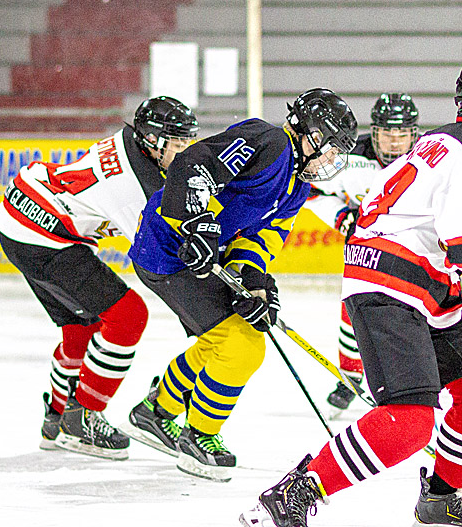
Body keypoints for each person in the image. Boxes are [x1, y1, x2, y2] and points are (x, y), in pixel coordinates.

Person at [240, 56, 462, 527]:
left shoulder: (442, 140)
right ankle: (292, 495)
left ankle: (441, 500)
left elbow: (437, 231)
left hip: (418, 281)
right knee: (410, 419)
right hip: (392, 283)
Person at [123, 88, 358, 481]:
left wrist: (255, 284)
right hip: (169, 247)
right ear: (312, 136)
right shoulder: (266, 141)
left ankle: (155, 411)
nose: (334, 159)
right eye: (332, 148)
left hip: (194, 256)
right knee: (243, 346)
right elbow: (194, 165)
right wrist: (196, 222)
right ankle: (199, 436)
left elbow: (263, 237)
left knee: (225, 338)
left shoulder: (297, 186)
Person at [0, 96, 199, 460]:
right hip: (44, 235)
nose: (184, 153)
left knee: (80, 328)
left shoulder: (128, 142)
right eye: (178, 144)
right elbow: (159, 259)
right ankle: (83, 417)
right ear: (152, 140)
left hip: (19, 214)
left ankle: (56, 418)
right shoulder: (136, 188)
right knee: (128, 315)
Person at [305, 93, 421, 419]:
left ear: (413, 133)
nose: (395, 142)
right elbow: (311, 192)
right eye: (388, 133)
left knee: (414, 317)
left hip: (412, 253)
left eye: (402, 134)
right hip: (364, 255)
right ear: (375, 133)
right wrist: (340, 214)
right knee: (353, 310)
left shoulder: (429, 160)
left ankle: (419, 377)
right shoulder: (348, 158)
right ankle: (351, 375)